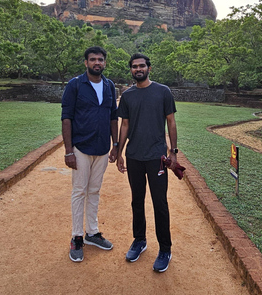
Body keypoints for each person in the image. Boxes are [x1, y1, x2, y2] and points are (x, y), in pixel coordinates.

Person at [115, 53, 178, 273]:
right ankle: (139, 240)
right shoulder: (128, 96)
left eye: (142, 66)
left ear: (149, 68)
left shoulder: (163, 92)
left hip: (157, 157)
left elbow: (171, 122)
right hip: (134, 156)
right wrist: (119, 151)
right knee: (136, 200)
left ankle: (165, 249)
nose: (138, 69)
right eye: (134, 66)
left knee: (160, 203)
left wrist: (174, 153)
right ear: (131, 70)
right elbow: (124, 125)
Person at [61, 46, 119, 262]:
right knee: (79, 191)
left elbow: (113, 117)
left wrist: (116, 144)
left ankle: (92, 233)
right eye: (93, 59)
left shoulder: (109, 86)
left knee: (94, 191)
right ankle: (76, 237)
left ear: (104, 62)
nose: (97, 63)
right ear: (85, 62)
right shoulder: (75, 85)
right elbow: (66, 117)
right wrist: (68, 151)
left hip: (102, 147)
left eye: (101, 59)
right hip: (81, 147)